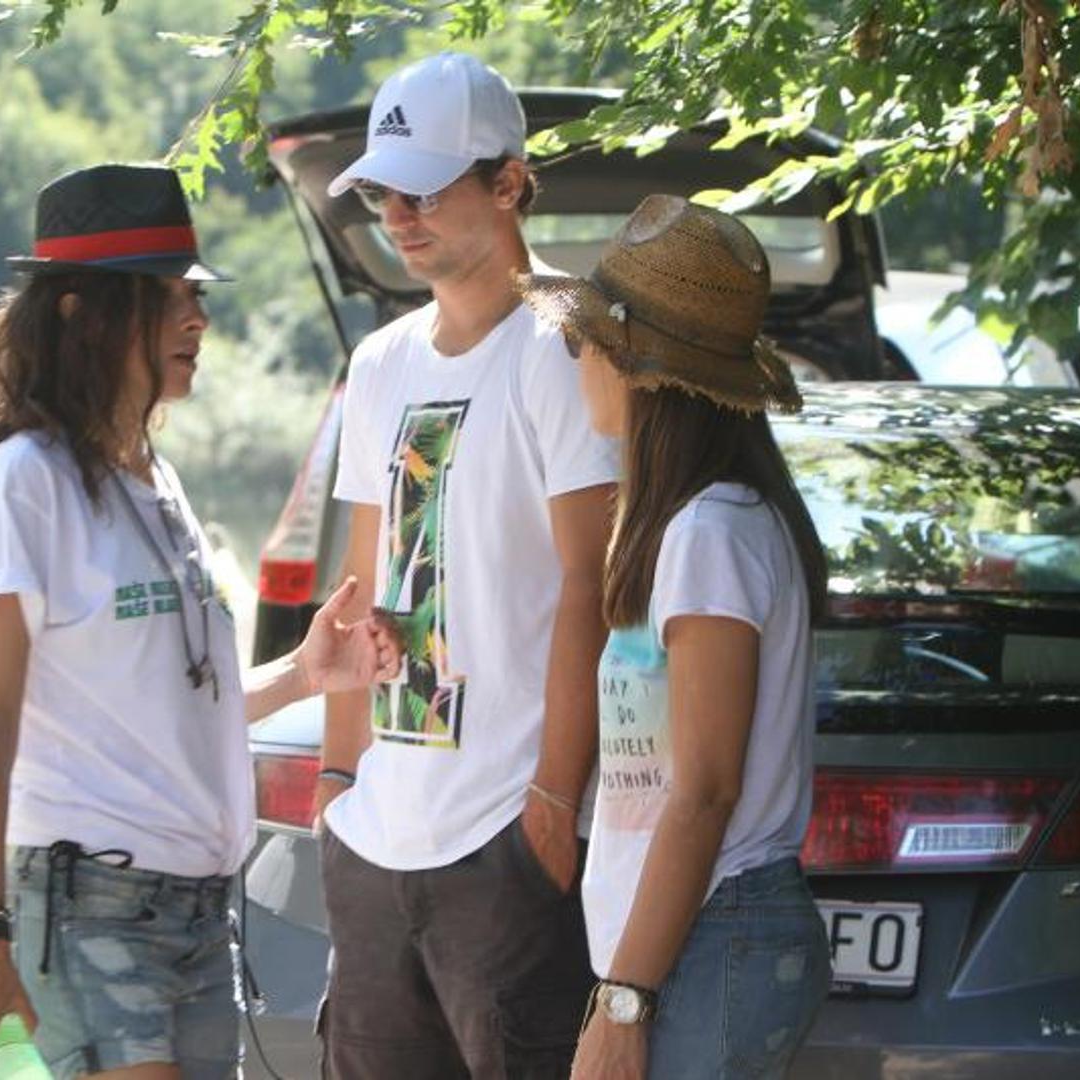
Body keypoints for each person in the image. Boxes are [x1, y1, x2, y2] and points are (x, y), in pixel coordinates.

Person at [0, 163, 401, 1080]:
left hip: (198, 907)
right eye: (169, 297)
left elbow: (166, 708)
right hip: (89, 902)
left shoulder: (154, 479)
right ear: (82, 314)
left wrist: (304, 674)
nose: (198, 321)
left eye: (198, 297)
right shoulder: (22, 482)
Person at [316, 52, 622, 1078]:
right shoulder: (378, 361)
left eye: (424, 189)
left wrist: (553, 807)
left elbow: (595, 584)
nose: (397, 216)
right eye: (381, 192)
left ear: (508, 182)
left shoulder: (565, 341)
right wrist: (336, 788)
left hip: (505, 840)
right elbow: (357, 591)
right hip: (377, 837)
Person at [516, 194, 832, 1079]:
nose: (575, 357)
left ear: (637, 364)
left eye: (586, 340)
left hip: (713, 934)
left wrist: (623, 1002)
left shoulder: (710, 533)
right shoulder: (694, 524)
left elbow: (703, 794)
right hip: (694, 938)